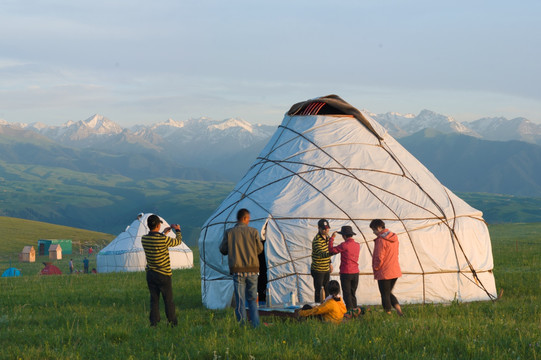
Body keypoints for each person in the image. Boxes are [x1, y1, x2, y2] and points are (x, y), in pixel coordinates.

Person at [219, 208, 263, 328]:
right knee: (253, 299)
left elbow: (223, 249)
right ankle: (255, 325)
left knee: (240, 301)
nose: (249, 221)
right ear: (244, 218)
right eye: (248, 218)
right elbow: (260, 249)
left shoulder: (229, 232)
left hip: (238, 270)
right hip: (253, 270)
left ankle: (242, 325)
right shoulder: (253, 232)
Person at [141, 214, 183, 327]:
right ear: (159, 225)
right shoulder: (163, 239)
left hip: (151, 274)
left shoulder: (144, 239)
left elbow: (155, 241)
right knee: (168, 300)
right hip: (164, 274)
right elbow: (178, 242)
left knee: (154, 300)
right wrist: (178, 230)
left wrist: (164, 233)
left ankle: (153, 323)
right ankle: (172, 323)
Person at [370, 219, 404, 316]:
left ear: (379, 228)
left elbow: (379, 256)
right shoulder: (394, 237)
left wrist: (376, 267)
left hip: (384, 271)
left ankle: (388, 314)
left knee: (384, 294)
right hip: (394, 269)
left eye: (374, 230)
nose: (374, 233)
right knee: (388, 292)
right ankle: (399, 311)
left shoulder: (381, 240)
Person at [329, 225, 360, 310]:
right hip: (355, 273)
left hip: (346, 272)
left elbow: (331, 250)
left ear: (344, 236)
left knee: (347, 294)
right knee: (353, 293)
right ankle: (355, 309)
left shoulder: (344, 245)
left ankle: (350, 311)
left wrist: (331, 239)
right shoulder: (357, 245)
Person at [311, 219, 333, 303]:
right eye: (324, 228)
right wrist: (334, 251)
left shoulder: (327, 238)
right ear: (319, 228)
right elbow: (322, 254)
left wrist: (330, 263)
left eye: (327, 228)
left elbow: (327, 252)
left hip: (325, 269)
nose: (326, 230)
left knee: (327, 290)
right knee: (318, 291)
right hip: (318, 269)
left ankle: (326, 307)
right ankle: (317, 308)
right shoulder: (317, 240)